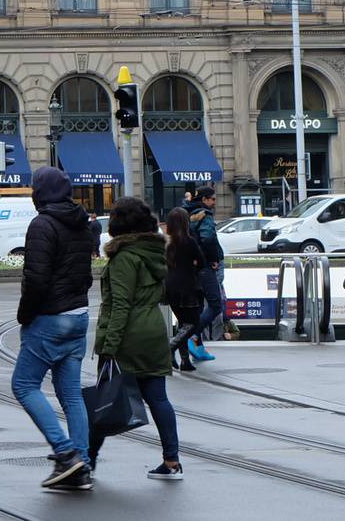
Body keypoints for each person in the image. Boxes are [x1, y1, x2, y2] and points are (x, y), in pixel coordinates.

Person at [11, 166, 95, 492]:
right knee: (72, 396)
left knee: (24, 385)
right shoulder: (82, 222)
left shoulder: (42, 224)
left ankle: (66, 453)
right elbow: (85, 273)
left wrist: (25, 315)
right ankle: (83, 466)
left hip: (50, 317)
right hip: (79, 314)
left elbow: (36, 279)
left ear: (39, 192)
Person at [89, 197, 182, 480]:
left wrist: (109, 346)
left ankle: (86, 460)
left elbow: (120, 306)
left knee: (103, 402)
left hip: (128, 335)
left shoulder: (124, 258)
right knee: (158, 399)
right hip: (153, 331)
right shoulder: (154, 253)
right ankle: (171, 461)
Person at [162, 207, 206, 372]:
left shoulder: (166, 243)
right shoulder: (189, 241)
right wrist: (193, 265)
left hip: (170, 287)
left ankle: (185, 361)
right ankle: (170, 348)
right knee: (193, 323)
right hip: (188, 287)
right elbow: (201, 262)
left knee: (183, 323)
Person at [186, 185, 224, 359]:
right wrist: (213, 259)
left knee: (198, 307)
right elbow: (208, 238)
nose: (215, 202)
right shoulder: (205, 214)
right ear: (204, 199)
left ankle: (197, 347)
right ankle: (191, 336)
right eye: (212, 199)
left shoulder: (186, 212)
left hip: (189, 266)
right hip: (204, 265)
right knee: (216, 304)